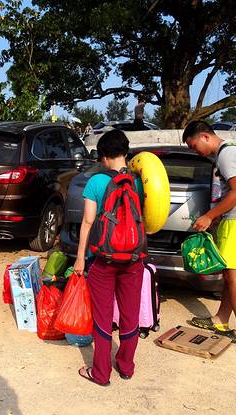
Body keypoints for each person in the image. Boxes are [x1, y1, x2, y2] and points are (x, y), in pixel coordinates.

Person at [182, 120, 236, 346]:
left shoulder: (227, 155)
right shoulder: (231, 150)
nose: (195, 151)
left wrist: (210, 216)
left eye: (193, 146)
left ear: (205, 137)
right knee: (230, 275)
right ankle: (220, 319)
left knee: (234, 277)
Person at [73, 129, 145, 386]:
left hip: (103, 259)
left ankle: (101, 373)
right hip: (134, 258)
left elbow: (87, 222)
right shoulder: (140, 182)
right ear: (126, 152)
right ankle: (126, 367)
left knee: (102, 316)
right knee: (130, 314)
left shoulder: (96, 182)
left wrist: (80, 258)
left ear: (103, 156)